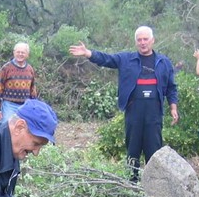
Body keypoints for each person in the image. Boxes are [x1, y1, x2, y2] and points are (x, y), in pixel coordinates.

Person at [69, 26, 178, 182]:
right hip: (134, 111)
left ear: (152, 40)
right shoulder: (126, 59)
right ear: (135, 42)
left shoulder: (164, 62)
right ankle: (131, 183)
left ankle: (155, 185)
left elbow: (172, 87)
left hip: (154, 112)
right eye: (139, 40)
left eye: (145, 39)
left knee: (154, 149)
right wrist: (88, 53)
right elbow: (106, 59)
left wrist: (173, 106)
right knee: (133, 148)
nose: (142, 43)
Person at [0, 42, 38, 123]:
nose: (20, 54)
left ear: (27, 54)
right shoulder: (6, 68)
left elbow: (33, 89)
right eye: (18, 52)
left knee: (24, 130)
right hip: (9, 106)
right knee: (7, 128)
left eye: (23, 52)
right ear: (14, 53)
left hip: (25, 106)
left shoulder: (30, 69)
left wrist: (34, 106)